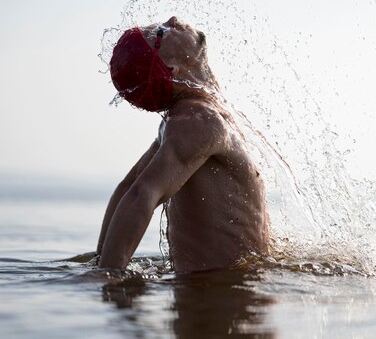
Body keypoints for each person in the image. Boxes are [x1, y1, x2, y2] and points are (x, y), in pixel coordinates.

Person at [96, 16, 269, 273]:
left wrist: (99, 260)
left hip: (212, 289)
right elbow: (141, 194)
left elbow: (126, 188)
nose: (173, 20)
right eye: (161, 33)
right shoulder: (197, 121)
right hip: (219, 297)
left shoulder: (185, 121)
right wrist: (107, 275)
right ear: (170, 67)